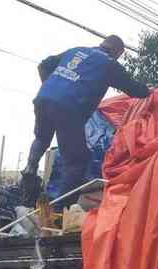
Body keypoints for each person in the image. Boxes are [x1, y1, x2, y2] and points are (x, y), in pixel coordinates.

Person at [20, 36, 150, 209]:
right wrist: (149, 91)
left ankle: (30, 167)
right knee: (77, 162)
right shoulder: (109, 64)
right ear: (118, 52)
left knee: (42, 138)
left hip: (44, 98)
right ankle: (59, 210)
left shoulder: (77, 51)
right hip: (70, 108)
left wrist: (52, 87)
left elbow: (44, 65)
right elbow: (134, 89)